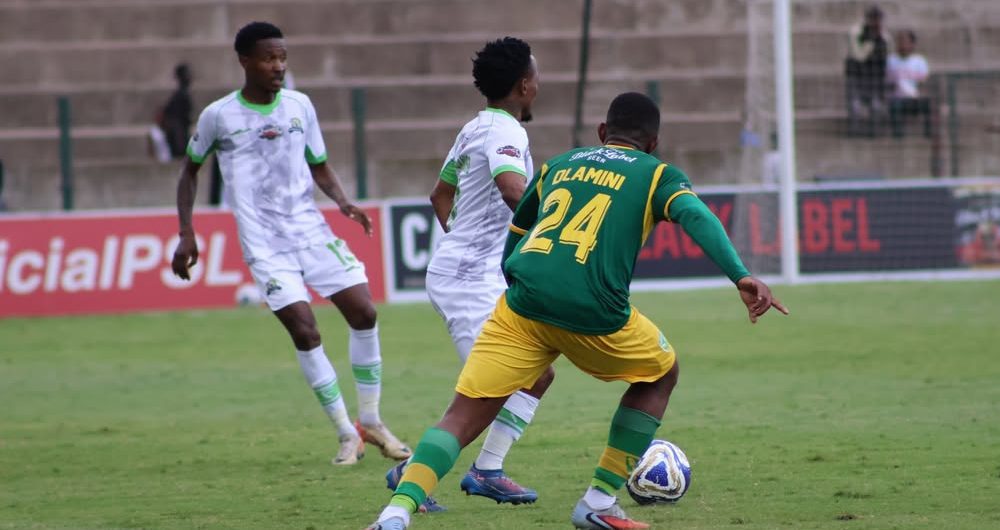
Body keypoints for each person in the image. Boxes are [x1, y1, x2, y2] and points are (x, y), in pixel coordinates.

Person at [366, 92, 789, 530]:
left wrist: (515, 277)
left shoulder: (560, 164)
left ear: (602, 133)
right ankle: (599, 503)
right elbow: (696, 216)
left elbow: (518, 228)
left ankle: (395, 514)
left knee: (461, 414)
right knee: (662, 373)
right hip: (594, 310)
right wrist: (740, 275)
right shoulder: (658, 174)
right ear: (654, 143)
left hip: (522, 305)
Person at [170, 21, 411, 467]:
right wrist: (187, 232)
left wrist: (343, 203)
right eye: (268, 58)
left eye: (282, 57)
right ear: (244, 61)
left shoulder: (300, 105)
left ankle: (372, 421)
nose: (278, 66)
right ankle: (346, 433)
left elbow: (318, 164)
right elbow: (190, 171)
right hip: (265, 244)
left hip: (311, 231)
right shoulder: (219, 115)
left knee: (365, 311)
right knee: (305, 329)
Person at [386, 37, 552, 512]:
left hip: (472, 274)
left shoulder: (474, 127)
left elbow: (440, 196)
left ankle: (474, 469)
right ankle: (452, 473)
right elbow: (512, 189)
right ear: (524, 85)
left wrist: (468, 244)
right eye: (536, 77)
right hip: (468, 282)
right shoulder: (507, 133)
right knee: (491, 388)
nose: (539, 85)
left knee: (535, 375)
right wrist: (554, 228)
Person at [845, 5, 892, 137]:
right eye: (873, 19)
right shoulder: (856, 33)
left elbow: (885, 59)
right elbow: (858, 56)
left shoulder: (884, 37)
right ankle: (854, 133)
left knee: (877, 106)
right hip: (856, 78)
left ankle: (873, 134)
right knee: (855, 106)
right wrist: (871, 41)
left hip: (874, 80)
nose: (876, 23)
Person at [886, 30, 931, 138]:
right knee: (895, 105)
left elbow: (923, 82)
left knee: (929, 104)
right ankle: (898, 137)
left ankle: (929, 136)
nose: (902, 44)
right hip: (898, 98)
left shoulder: (920, 61)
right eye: (900, 41)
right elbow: (888, 82)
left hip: (914, 98)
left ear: (912, 44)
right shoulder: (890, 60)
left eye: (905, 41)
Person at [162, 63, 194, 158]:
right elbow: (176, 122)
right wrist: (180, 142)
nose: (190, 77)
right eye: (187, 74)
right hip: (179, 139)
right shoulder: (180, 96)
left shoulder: (182, 94)